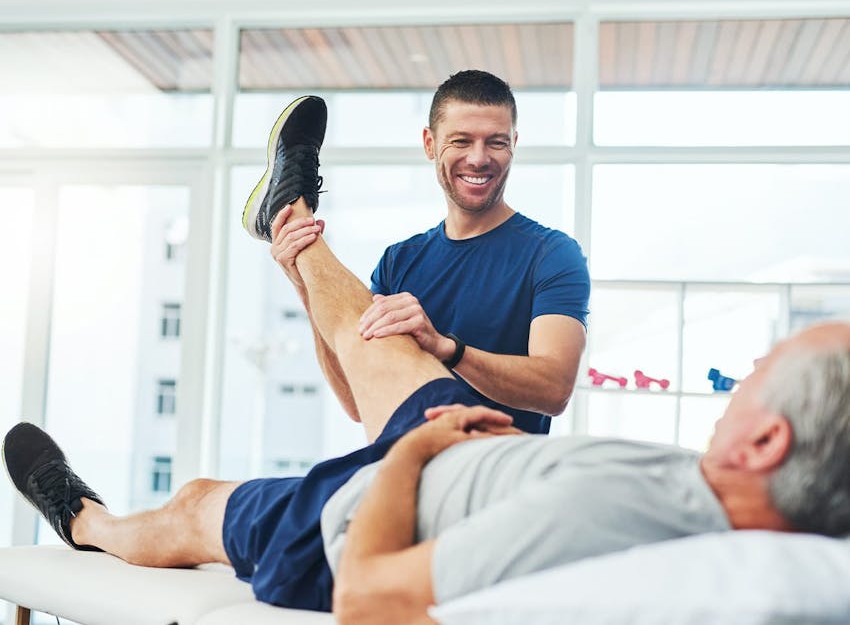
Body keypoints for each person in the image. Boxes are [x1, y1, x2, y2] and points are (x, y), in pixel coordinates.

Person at [6, 166, 850, 621]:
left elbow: (372, 599)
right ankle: (288, 219)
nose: (736, 386)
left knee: (192, 502)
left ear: (767, 444)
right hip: (467, 446)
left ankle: (84, 522)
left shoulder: (626, 513)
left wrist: (410, 454)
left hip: (362, 507)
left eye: (761, 371)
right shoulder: (701, 491)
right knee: (377, 323)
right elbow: (345, 395)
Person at [248, 71, 590, 436]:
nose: (479, 158)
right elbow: (356, 400)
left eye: (496, 142)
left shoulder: (552, 254)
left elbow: (554, 390)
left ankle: (289, 207)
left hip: (493, 470)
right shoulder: (400, 261)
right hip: (400, 462)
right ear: (429, 143)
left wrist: (448, 349)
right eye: (460, 141)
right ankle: (292, 220)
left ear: (514, 144)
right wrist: (301, 280)